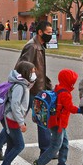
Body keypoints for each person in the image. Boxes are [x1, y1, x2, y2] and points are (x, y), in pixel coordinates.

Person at [0, 61, 36, 165]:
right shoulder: (19, 86)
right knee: (19, 145)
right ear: (26, 72)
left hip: (11, 118)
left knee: (11, 145)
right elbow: (15, 105)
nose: (34, 74)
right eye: (32, 71)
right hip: (11, 119)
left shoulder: (23, 84)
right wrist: (21, 123)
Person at [32, 69, 80, 165]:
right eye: (72, 80)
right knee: (55, 145)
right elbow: (70, 108)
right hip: (59, 123)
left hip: (55, 121)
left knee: (64, 143)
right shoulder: (65, 94)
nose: (74, 83)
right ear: (68, 81)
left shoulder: (58, 88)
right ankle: (39, 162)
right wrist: (82, 110)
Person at [15, 20, 53, 156]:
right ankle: (46, 150)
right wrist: (28, 84)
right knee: (36, 119)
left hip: (37, 89)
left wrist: (46, 83)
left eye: (52, 32)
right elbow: (22, 66)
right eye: (48, 33)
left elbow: (39, 69)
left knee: (39, 120)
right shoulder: (32, 47)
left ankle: (46, 149)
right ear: (40, 32)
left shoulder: (40, 46)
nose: (51, 35)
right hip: (31, 90)